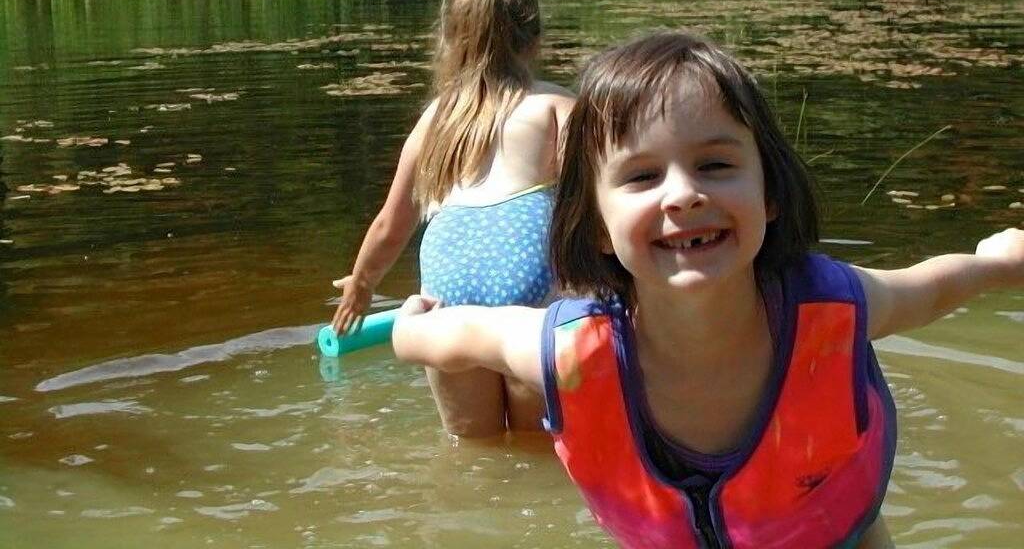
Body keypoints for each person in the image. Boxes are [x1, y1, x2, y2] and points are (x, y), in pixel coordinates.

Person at [391, 30, 1024, 548]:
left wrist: (994, 261)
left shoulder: (831, 307)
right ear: (598, 228)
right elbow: (462, 336)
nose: (683, 193)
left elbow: (929, 290)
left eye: (716, 165)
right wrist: (409, 326)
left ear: (770, 194)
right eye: (641, 176)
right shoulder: (571, 351)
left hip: (837, 533)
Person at [329, 0, 574, 437]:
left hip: (445, 296)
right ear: (536, 37)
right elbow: (600, 212)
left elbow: (389, 224)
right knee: (539, 447)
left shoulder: (434, 122)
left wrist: (360, 286)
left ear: (447, 42)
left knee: (470, 448)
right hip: (531, 296)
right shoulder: (556, 108)